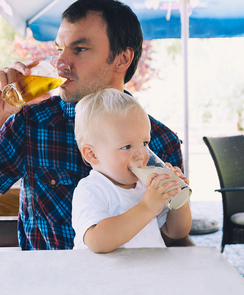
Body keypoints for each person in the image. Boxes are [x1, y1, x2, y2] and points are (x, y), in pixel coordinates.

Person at [0, 0, 186, 250]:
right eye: (59, 50)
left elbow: (172, 236)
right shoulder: (32, 123)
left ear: (122, 59)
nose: (61, 64)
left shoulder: (161, 140)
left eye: (79, 49)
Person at [72, 89, 192, 252]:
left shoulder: (146, 186)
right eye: (127, 147)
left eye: (144, 143)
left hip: (146, 274)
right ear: (92, 154)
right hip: (104, 276)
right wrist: (147, 207)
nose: (141, 155)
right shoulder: (91, 190)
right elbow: (97, 241)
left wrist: (178, 198)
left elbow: (176, 232)